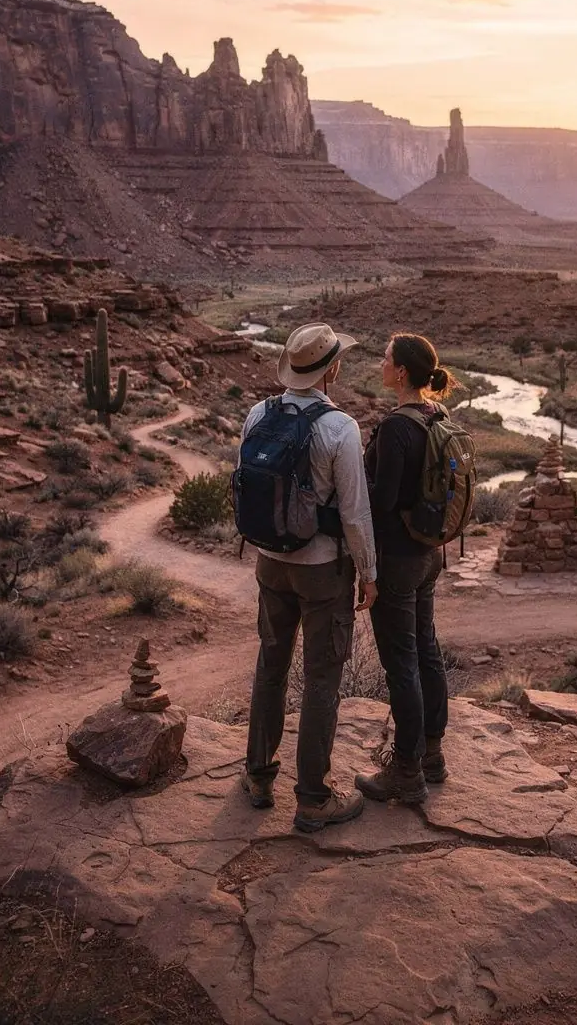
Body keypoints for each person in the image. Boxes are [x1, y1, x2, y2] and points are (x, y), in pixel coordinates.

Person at [239, 322, 378, 833]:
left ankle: (258, 776)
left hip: (270, 561)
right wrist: (369, 573)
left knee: (270, 666)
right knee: (322, 678)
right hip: (322, 571)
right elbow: (355, 514)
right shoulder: (341, 428)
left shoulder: (259, 413)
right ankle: (314, 798)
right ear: (332, 369)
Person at [355, 333, 458, 805]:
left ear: (400, 372)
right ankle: (432, 755)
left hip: (396, 558)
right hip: (429, 554)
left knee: (402, 664)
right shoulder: (437, 414)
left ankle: (406, 771)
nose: (381, 363)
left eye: (386, 359)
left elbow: (383, 501)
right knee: (426, 650)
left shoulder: (397, 426)